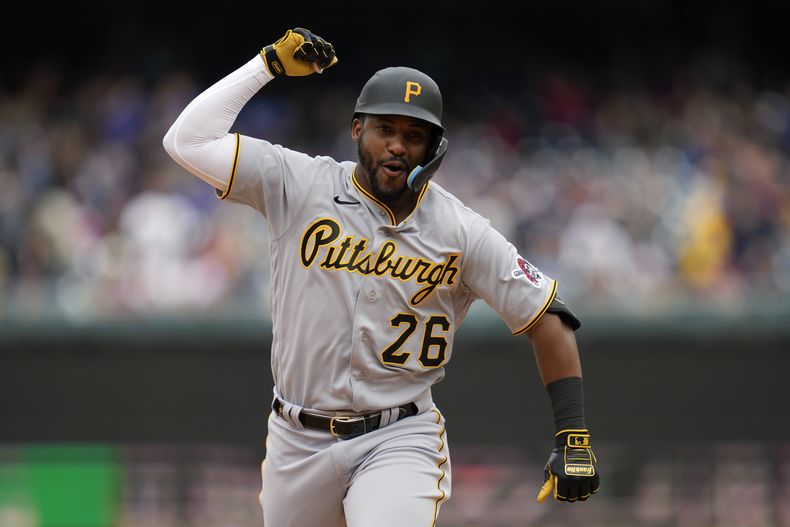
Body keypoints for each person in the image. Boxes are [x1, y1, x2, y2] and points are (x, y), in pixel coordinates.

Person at [163, 27, 600, 527]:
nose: (397, 146)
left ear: (435, 148)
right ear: (356, 130)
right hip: (295, 439)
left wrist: (574, 437)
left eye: (414, 136)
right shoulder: (299, 183)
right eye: (384, 129)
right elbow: (186, 140)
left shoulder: (460, 230)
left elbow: (550, 316)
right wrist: (267, 66)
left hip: (398, 436)